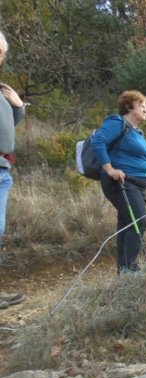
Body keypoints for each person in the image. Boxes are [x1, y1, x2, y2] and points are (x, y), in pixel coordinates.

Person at [93, 91, 146, 274]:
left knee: (128, 223)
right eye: (142, 106)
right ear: (129, 107)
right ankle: (130, 267)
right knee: (139, 220)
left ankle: (124, 270)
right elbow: (99, 141)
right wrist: (109, 169)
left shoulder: (137, 132)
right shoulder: (117, 122)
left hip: (137, 183)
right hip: (121, 182)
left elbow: (138, 154)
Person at [0, 30, 26, 308]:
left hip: (3, 168)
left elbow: (9, 126)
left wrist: (18, 107)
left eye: (2, 53)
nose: (1, 57)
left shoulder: (2, 90)